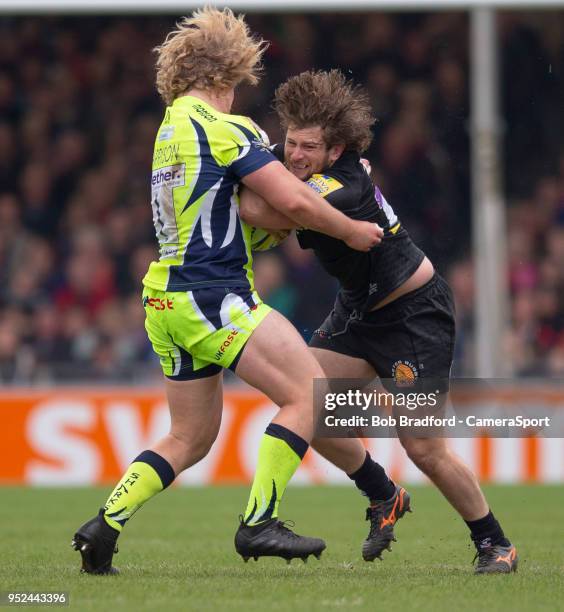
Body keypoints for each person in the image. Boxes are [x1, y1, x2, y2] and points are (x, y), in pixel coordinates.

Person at [71, 9, 383, 575]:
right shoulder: (225, 128)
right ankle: (260, 521)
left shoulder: (169, 130)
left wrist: (273, 221)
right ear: (230, 73)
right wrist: (347, 228)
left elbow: (236, 211)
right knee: (310, 392)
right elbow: (286, 200)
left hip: (165, 295)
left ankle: (103, 527)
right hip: (210, 291)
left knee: (190, 436)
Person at [240, 70, 518, 574]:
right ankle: (382, 493)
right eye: (290, 143)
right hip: (358, 311)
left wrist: (215, 184)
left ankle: (495, 542)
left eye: (308, 147)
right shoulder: (310, 171)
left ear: (336, 149)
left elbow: (262, 208)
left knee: (424, 448)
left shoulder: (342, 187)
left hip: (414, 314)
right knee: (304, 401)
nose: (295, 155)